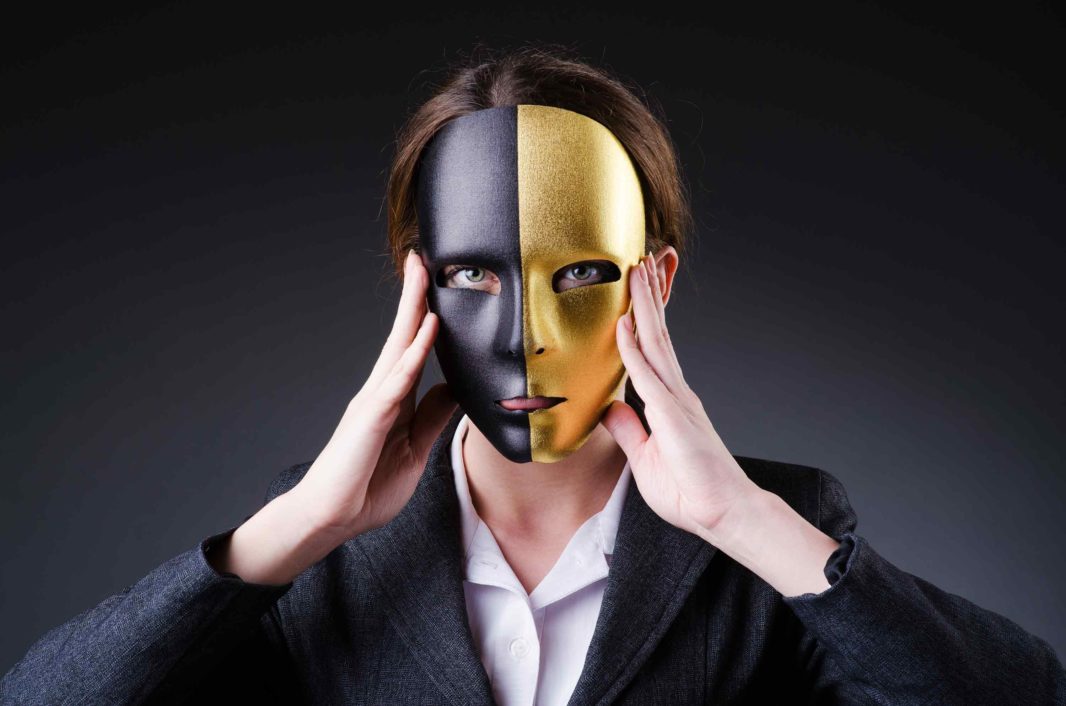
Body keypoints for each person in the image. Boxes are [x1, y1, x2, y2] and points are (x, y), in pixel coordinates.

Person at [3, 43, 1064, 706]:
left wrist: (745, 523)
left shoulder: (772, 525)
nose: (524, 337)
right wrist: (292, 532)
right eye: (471, 272)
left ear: (656, 279)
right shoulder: (321, 550)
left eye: (586, 273)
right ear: (412, 284)